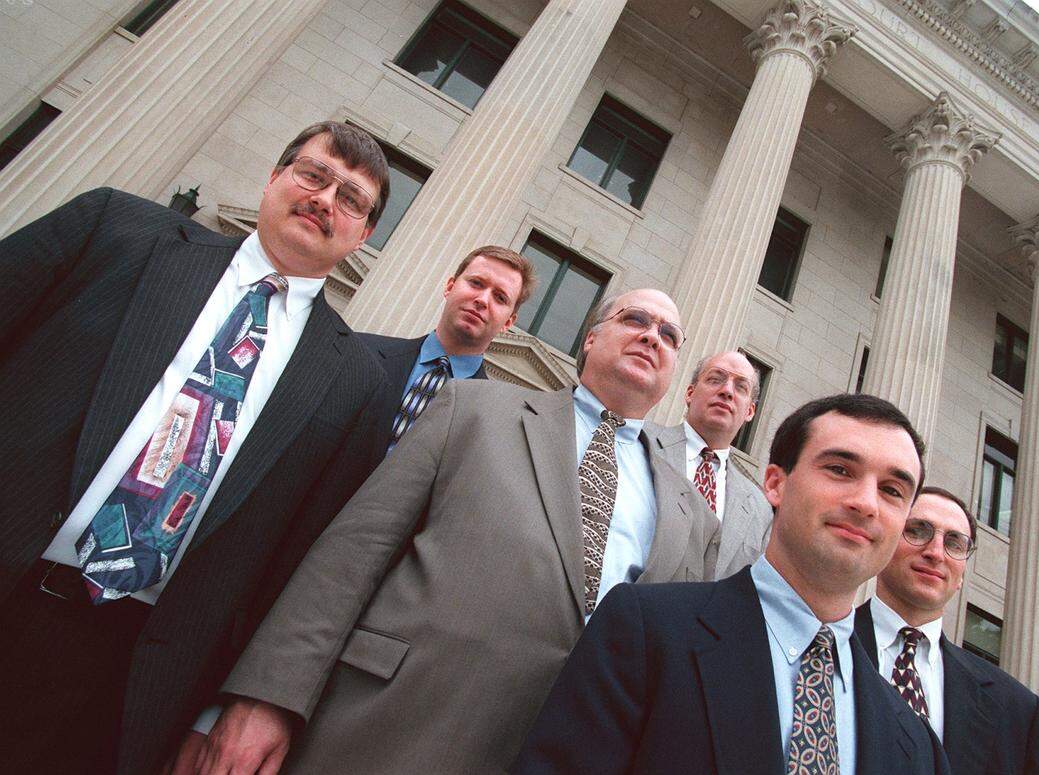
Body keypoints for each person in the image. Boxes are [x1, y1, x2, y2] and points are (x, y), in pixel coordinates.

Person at [0, 120, 399, 774]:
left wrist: (227, 705)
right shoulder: (115, 229)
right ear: (274, 178)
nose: (327, 200)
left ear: (364, 235)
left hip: (126, 678)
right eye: (313, 175)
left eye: (352, 199)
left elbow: (298, 565)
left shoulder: (358, 384)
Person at [193, 289, 719, 774]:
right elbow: (353, 555)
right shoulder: (473, 408)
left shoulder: (693, 517)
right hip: (388, 729)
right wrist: (270, 697)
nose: (653, 336)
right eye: (635, 320)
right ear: (591, 338)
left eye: (669, 335)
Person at [512, 394, 951, 775]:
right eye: (840, 469)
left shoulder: (917, 745)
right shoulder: (644, 632)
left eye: (893, 491)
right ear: (775, 484)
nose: (865, 503)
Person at [854, 486, 1039, 774]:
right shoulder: (819, 639)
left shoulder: (1018, 710)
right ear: (885, 540)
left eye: (955, 542)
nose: (936, 552)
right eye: (918, 530)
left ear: (962, 574)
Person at [363, 245, 535, 450]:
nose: (482, 300)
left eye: (500, 297)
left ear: (508, 322)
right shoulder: (363, 353)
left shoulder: (494, 424)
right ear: (449, 286)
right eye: (476, 283)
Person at [647, 350, 773, 577]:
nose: (727, 391)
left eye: (741, 387)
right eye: (716, 379)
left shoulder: (761, 510)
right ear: (690, 393)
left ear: (750, 411)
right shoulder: (640, 442)